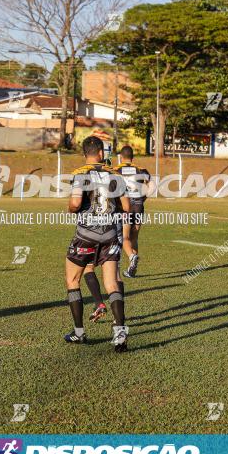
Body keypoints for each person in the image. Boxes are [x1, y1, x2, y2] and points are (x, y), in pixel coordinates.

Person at [64, 136, 131, 351]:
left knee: (73, 280)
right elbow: (127, 207)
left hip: (86, 234)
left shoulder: (80, 174)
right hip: (110, 234)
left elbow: (75, 204)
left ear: (85, 154)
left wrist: (74, 209)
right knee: (112, 283)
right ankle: (120, 334)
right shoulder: (115, 175)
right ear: (101, 153)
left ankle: (79, 333)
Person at [113, 146, 153, 278]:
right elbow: (152, 187)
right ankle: (131, 270)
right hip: (139, 205)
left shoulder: (116, 170)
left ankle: (132, 256)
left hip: (126, 207)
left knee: (125, 238)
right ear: (132, 157)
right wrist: (143, 198)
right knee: (134, 237)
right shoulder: (141, 170)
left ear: (121, 157)